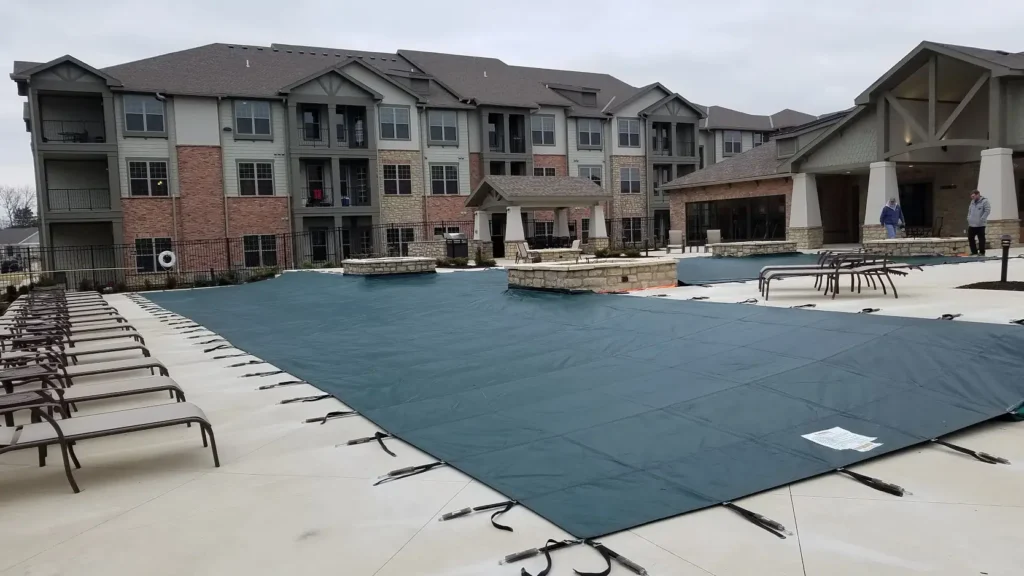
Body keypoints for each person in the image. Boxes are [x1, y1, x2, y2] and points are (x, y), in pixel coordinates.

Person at [967, 189, 991, 255]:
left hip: (980, 224)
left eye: (973, 196)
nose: (972, 198)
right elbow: (969, 211)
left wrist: (982, 218)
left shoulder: (984, 201)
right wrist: (968, 218)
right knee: (970, 238)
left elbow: (987, 210)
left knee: (981, 239)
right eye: (971, 197)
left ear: (978, 195)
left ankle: (982, 252)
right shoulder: (972, 202)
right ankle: (974, 251)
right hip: (972, 224)